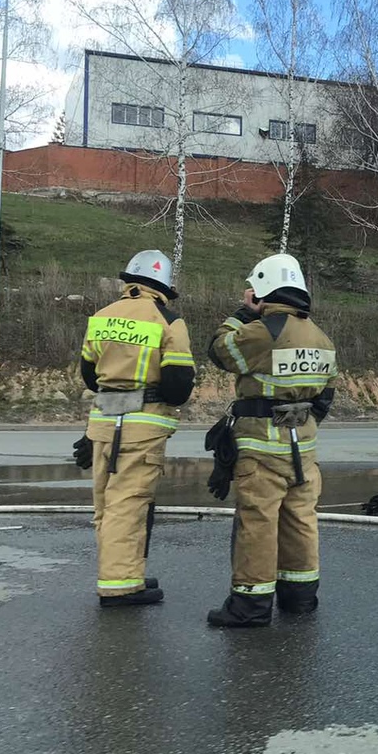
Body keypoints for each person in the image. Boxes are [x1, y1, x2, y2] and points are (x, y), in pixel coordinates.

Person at [205, 253, 338, 628]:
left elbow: (219, 349)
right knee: (300, 521)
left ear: (265, 287)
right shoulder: (320, 337)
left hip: (262, 449)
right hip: (303, 451)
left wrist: (242, 312)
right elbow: (326, 397)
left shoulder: (263, 331)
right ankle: (300, 598)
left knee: (258, 524)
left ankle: (250, 605)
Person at [75, 250, 195, 607]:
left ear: (129, 281)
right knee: (129, 505)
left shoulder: (101, 317)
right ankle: (120, 586)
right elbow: (178, 385)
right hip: (143, 428)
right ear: (162, 287)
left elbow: (89, 376)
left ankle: (126, 570)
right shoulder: (168, 321)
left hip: (102, 424)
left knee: (106, 505)